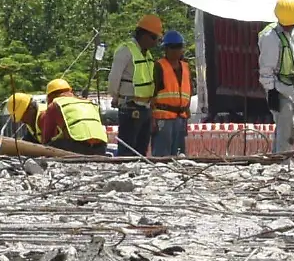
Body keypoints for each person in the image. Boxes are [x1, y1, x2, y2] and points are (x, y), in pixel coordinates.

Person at [106, 14, 163, 157]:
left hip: (145, 107)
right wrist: (116, 97)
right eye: (154, 38)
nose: (155, 42)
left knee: (141, 150)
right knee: (128, 150)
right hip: (130, 107)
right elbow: (114, 79)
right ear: (144, 35)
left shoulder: (147, 54)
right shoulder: (126, 51)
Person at [259, 0, 294, 156]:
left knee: (290, 128)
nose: (289, 27)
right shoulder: (270, 37)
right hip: (279, 87)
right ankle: (282, 161)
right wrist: (271, 91)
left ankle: (280, 158)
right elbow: (266, 67)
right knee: (286, 128)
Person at [37, 78, 109, 155]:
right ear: (70, 91)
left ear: (49, 97)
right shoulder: (88, 103)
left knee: (48, 146)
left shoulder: (55, 105)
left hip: (77, 148)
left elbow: (46, 138)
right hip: (101, 148)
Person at [150, 30, 193, 157]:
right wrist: (152, 119)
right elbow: (151, 94)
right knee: (162, 156)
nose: (176, 51)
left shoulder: (185, 67)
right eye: (172, 47)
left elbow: (188, 91)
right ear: (166, 49)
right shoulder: (159, 67)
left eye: (178, 47)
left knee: (179, 156)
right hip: (163, 118)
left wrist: (187, 110)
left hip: (180, 117)